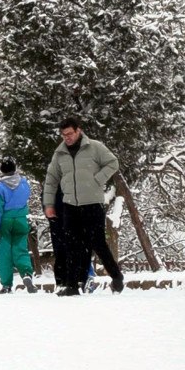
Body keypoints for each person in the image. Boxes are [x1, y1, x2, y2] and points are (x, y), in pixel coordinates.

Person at [42, 117, 125, 296]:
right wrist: (48, 204)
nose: (67, 137)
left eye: (70, 133)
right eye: (64, 135)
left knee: (98, 243)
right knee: (71, 245)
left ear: (78, 130)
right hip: (70, 205)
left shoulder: (94, 147)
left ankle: (117, 276)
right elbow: (51, 179)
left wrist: (98, 180)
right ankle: (72, 285)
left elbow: (113, 163)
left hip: (92, 204)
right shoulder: (60, 153)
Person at [0, 156, 37, 294]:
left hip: (5, 221)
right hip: (21, 219)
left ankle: (6, 284)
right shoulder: (24, 183)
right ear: (15, 168)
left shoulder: (0, 187)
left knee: (4, 252)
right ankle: (26, 273)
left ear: (2, 170)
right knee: (21, 248)